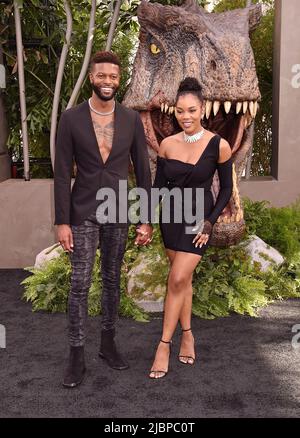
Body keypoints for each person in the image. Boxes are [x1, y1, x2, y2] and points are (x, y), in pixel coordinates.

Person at [54, 51, 153, 388]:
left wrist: (147, 219)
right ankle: (76, 355)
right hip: (82, 211)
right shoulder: (70, 119)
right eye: (102, 76)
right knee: (80, 283)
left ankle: (108, 345)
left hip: (118, 210)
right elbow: (62, 172)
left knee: (111, 279)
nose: (108, 81)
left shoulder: (131, 119)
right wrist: (62, 221)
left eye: (113, 76)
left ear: (118, 78)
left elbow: (142, 169)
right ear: (92, 78)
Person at [149, 77, 233, 379]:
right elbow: (158, 188)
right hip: (170, 219)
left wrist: (209, 223)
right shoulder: (167, 144)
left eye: (192, 110)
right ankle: (187, 334)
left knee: (177, 279)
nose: (186, 116)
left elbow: (225, 189)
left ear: (203, 109)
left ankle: (163, 345)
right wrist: (146, 220)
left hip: (199, 222)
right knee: (181, 283)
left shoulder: (218, 145)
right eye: (181, 111)